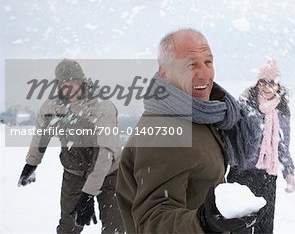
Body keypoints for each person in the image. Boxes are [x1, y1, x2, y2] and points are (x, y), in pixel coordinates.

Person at [116, 29, 265, 233]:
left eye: (208, 62)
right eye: (190, 64)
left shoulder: (201, 116)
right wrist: (205, 222)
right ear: (164, 73)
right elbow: (152, 221)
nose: (204, 73)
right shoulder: (165, 131)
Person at [17, 59, 125, 234]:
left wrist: (89, 194)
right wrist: (32, 163)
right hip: (74, 173)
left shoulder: (102, 107)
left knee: (114, 228)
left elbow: (104, 154)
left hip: (109, 174)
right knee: (68, 227)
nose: (69, 86)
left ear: (82, 81)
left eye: (73, 80)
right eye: (64, 82)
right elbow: (41, 134)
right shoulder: (53, 106)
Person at [226, 58, 295, 234]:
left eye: (271, 83)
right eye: (262, 82)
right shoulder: (245, 104)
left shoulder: (282, 111)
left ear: (278, 86)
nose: (266, 87)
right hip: (242, 172)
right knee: (238, 226)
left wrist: (288, 172)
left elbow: (282, 146)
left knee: (264, 227)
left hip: (267, 176)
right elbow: (232, 136)